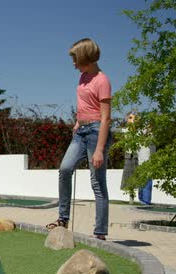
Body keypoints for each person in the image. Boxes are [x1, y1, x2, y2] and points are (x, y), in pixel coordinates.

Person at [46, 38, 112, 240]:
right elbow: (85, 104)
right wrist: (78, 122)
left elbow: (105, 117)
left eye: (76, 59)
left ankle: (100, 232)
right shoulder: (83, 77)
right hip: (81, 131)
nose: (73, 63)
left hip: (96, 133)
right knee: (65, 169)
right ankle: (63, 219)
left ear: (86, 57)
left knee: (97, 182)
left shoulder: (102, 80)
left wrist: (100, 148)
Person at [120, 112, 154, 205]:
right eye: (131, 118)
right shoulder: (127, 130)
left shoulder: (143, 131)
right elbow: (117, 130)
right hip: (135, 158)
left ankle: (145, 201)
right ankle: (141, 199)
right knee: (135, 179)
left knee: (146, 179)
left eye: (135, 118)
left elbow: (151, 143)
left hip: (145, 159)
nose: (133, 120)